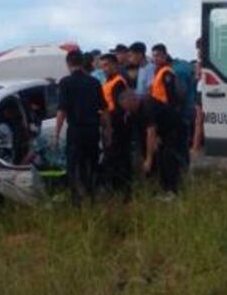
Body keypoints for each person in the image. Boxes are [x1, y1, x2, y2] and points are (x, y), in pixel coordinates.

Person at [54, 50, 107, 205]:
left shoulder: (65, 83)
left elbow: (62, 111)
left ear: (68, 64)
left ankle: (76, 199)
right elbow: (104, 109)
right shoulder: (94, 82)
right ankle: (92, 195)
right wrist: (107, 130)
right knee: (92, 162)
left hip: (76, 130)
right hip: (92, 130)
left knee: (74, 164)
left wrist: (57, 133)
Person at [120, 89, 183, 199]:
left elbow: (150, 132)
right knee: (156, 156)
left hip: (173, 128)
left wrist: (149, 159)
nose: (127, 110)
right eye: (125, 108)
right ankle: (157, 188)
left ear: (134, 100)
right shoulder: (133, 112)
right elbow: (142, 136)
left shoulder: (147, 106)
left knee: (167, 157)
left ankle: (172, 190)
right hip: (159, 130)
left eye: (128, 107)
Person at [99, 54, 132, 199]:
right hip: (109, 123)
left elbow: (120, 107)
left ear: (114, 65)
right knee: (112, 158)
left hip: (116, 125)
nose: (104, 68)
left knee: (119, 158)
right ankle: (115, 188)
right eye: (102, 65)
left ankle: (124, 191)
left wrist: (110, 126)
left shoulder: (118, 82)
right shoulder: (108, 82)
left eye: (106, 65)